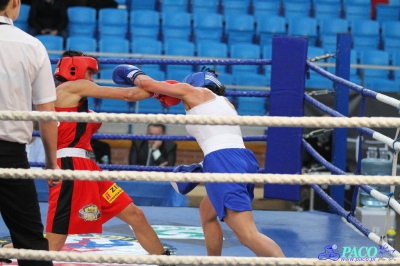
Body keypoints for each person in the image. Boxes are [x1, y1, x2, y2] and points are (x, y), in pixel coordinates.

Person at [112, 65, 285, 257]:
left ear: (194, 82)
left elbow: (146, 83)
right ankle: (213, 262)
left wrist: (132, 72)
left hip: (224, 162)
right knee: (207, 214)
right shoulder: (226, 103)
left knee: (247, 235)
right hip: (241, 158)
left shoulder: (194, 92)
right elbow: (219, 137)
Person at [43, 50, 178, 255]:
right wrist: (161, 87)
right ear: (75, 69)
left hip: (88, 169)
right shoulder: (75, 86)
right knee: (54, 242)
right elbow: (129, 94)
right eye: (90, 73)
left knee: (135, 215)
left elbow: (88, 124)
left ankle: (164, 260)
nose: (92, 79)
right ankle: (6, 253)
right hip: (71, 168)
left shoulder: (63, 98)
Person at [0, 0, 58, 265]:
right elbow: (46, 114)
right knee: (31, 243)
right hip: (10, 155)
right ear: (14, 4)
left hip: (12, 154)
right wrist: (51, 163)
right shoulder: (31, 46)